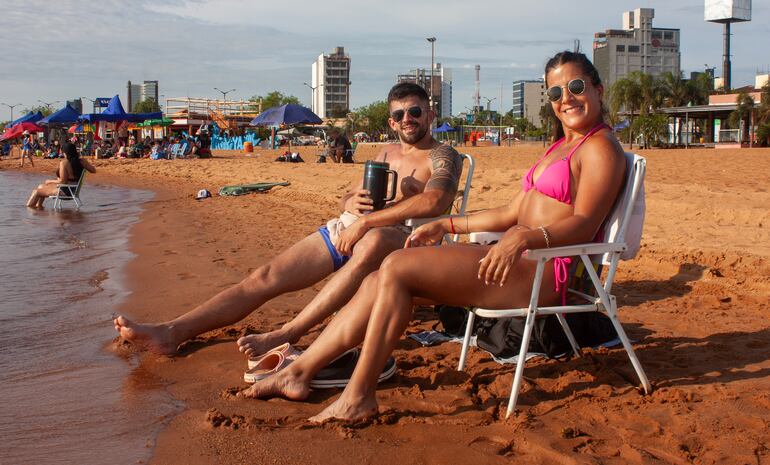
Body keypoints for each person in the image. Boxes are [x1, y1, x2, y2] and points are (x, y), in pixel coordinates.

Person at [241, 51, 628, 422]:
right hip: (515, 260)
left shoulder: (600, 147)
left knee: (395, 267)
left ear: (598, 89)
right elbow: (511, 213)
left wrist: (524, 238)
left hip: (545, 271)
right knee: (381, 278)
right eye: (557, 92)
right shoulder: (562, 147)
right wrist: (448, 225)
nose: (566, 99)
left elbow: (583, 222)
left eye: (575, 86)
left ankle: (357, 396)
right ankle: (302, 371)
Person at [113, 82, 464, 357]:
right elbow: (348, 195)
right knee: (264, 277)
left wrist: (368, 223)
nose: (408, 119)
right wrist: (350, 201)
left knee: (370, 244)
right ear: (391, 122)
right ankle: (172, 332)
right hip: (348, 228)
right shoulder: (385, 152)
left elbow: (437, 199)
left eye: (415, 111)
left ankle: (287, 334)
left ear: (429, 114)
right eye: (400, 114)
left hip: (401, 240)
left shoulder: (443, 154)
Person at [26, 138, 96, 208]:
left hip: (65, 192)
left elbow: (63, 181)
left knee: (36, 192)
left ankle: (29, 211)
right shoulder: (82, 161)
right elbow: (93, 170)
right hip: (74, 190)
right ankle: (39, 207)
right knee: (40, 186)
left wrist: (49, 181)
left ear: (65, 153)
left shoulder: (64, 163)